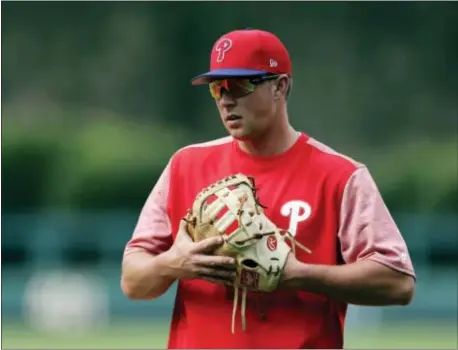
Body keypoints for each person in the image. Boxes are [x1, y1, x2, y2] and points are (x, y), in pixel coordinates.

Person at [121, 28, 416, 349]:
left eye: (239, 85)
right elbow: (133, 282)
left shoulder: (341, 176)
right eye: (217, 89)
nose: (226, 99)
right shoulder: (185, 166)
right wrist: (171, 264)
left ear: (280, 86)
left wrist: (297, 274)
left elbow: (398, 283)